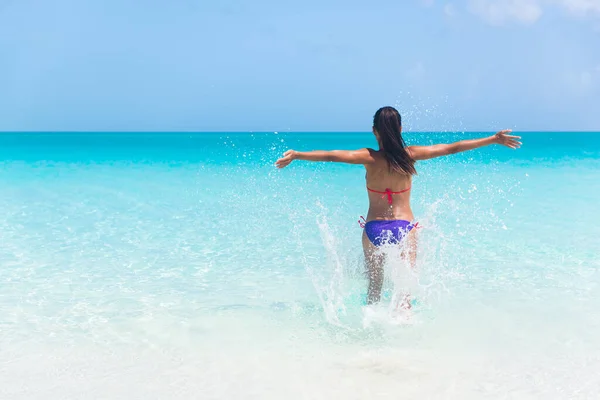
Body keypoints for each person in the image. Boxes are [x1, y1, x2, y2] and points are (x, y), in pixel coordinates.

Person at [275, 106, 521, 306]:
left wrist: (297, 154)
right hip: (405, 228)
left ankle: (369, 331)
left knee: (374, 286)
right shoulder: (410, 155)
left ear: (375, 131)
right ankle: (404, 340)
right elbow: (452, 148)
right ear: (400, 128)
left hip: (373, 229)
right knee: (405, 292)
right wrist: (493, 139)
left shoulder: (368, 158)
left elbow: (332, 155)